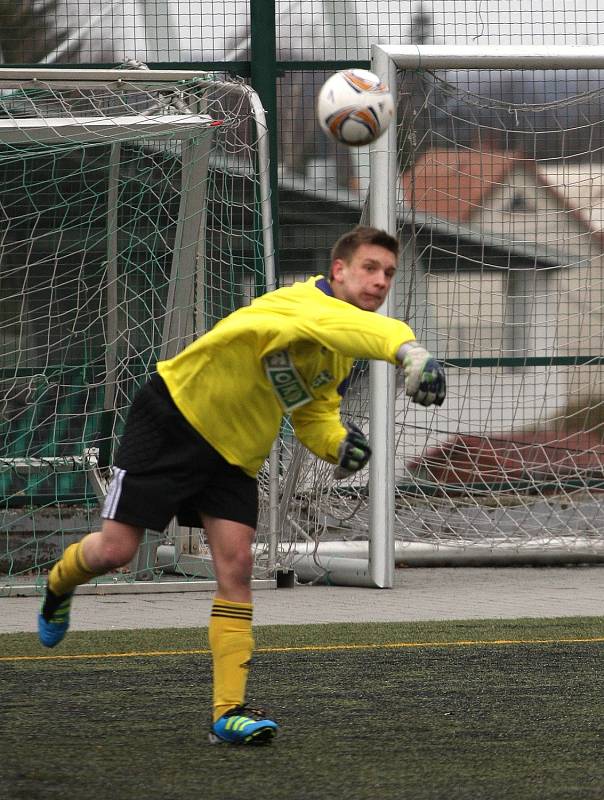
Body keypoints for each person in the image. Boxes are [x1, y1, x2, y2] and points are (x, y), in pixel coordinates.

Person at [37, 225, 446, 745]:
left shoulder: (338, 348)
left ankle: (227, 713)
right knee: (116, 552)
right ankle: (60, 583)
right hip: (173, 420)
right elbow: (360, 330)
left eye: (388, 272)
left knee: (238, 566)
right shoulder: (300, 305)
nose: (380, 280)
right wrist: (408, 351)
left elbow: (308, 409)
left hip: (233, 456)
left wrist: (338, 444)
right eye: (369, 268)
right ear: (338, 270)